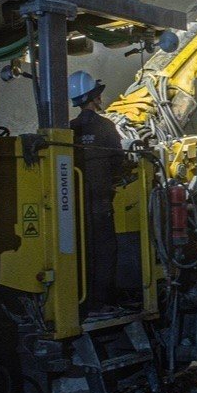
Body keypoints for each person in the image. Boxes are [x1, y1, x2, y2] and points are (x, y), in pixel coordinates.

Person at [67, 70, 127, 318]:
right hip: (101, 203)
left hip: (73, 207)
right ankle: (100, 304)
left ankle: (81, 302)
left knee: (81, 250)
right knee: (105, 251)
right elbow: (119, 162)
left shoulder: (68, 129)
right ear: (94, 98)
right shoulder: (106, 127)